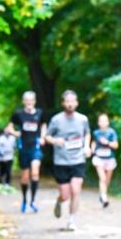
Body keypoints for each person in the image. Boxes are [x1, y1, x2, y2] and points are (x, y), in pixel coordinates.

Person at [45, 90, 91, 231]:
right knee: (65, 194)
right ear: (63, 103)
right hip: (61, 161)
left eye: (73, 101)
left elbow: (87, 133)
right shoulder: (56, 120)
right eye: (67, 101)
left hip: (78, 160)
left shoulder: (82, 119)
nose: (70, 104)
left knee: (76, 189)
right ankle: (60, 202)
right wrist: (54, 140)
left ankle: (71, 220)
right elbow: (47, 136)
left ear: (76, 103)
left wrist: (87, 146)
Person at [9, 91, 46, 213]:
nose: (29, 103)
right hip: (23, 147)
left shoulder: (40, 113)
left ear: (34, 101)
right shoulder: (18, 114)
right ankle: (25, 200)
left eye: (31, 100)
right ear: (24, 102)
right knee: (25, 177)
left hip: (35, 147)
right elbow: (8, 127)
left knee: (35, 172)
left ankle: (33, 201)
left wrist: (43, 137)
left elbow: (44, 125)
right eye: (27, 100)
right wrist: (15, 133)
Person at [90, 114, 119, 208]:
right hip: (99, 158)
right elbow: (93, 142)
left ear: (108, 122)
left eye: (105, 121)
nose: (103, 123)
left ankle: (102, 194)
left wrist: (108, 143)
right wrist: (92, 149)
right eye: (101, 121)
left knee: (107, 180)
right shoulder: (96, 133)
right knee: (102, 178)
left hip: (109, 158)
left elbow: (116, 145)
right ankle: (104, 197)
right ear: (98, 123)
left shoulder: (112, 132)